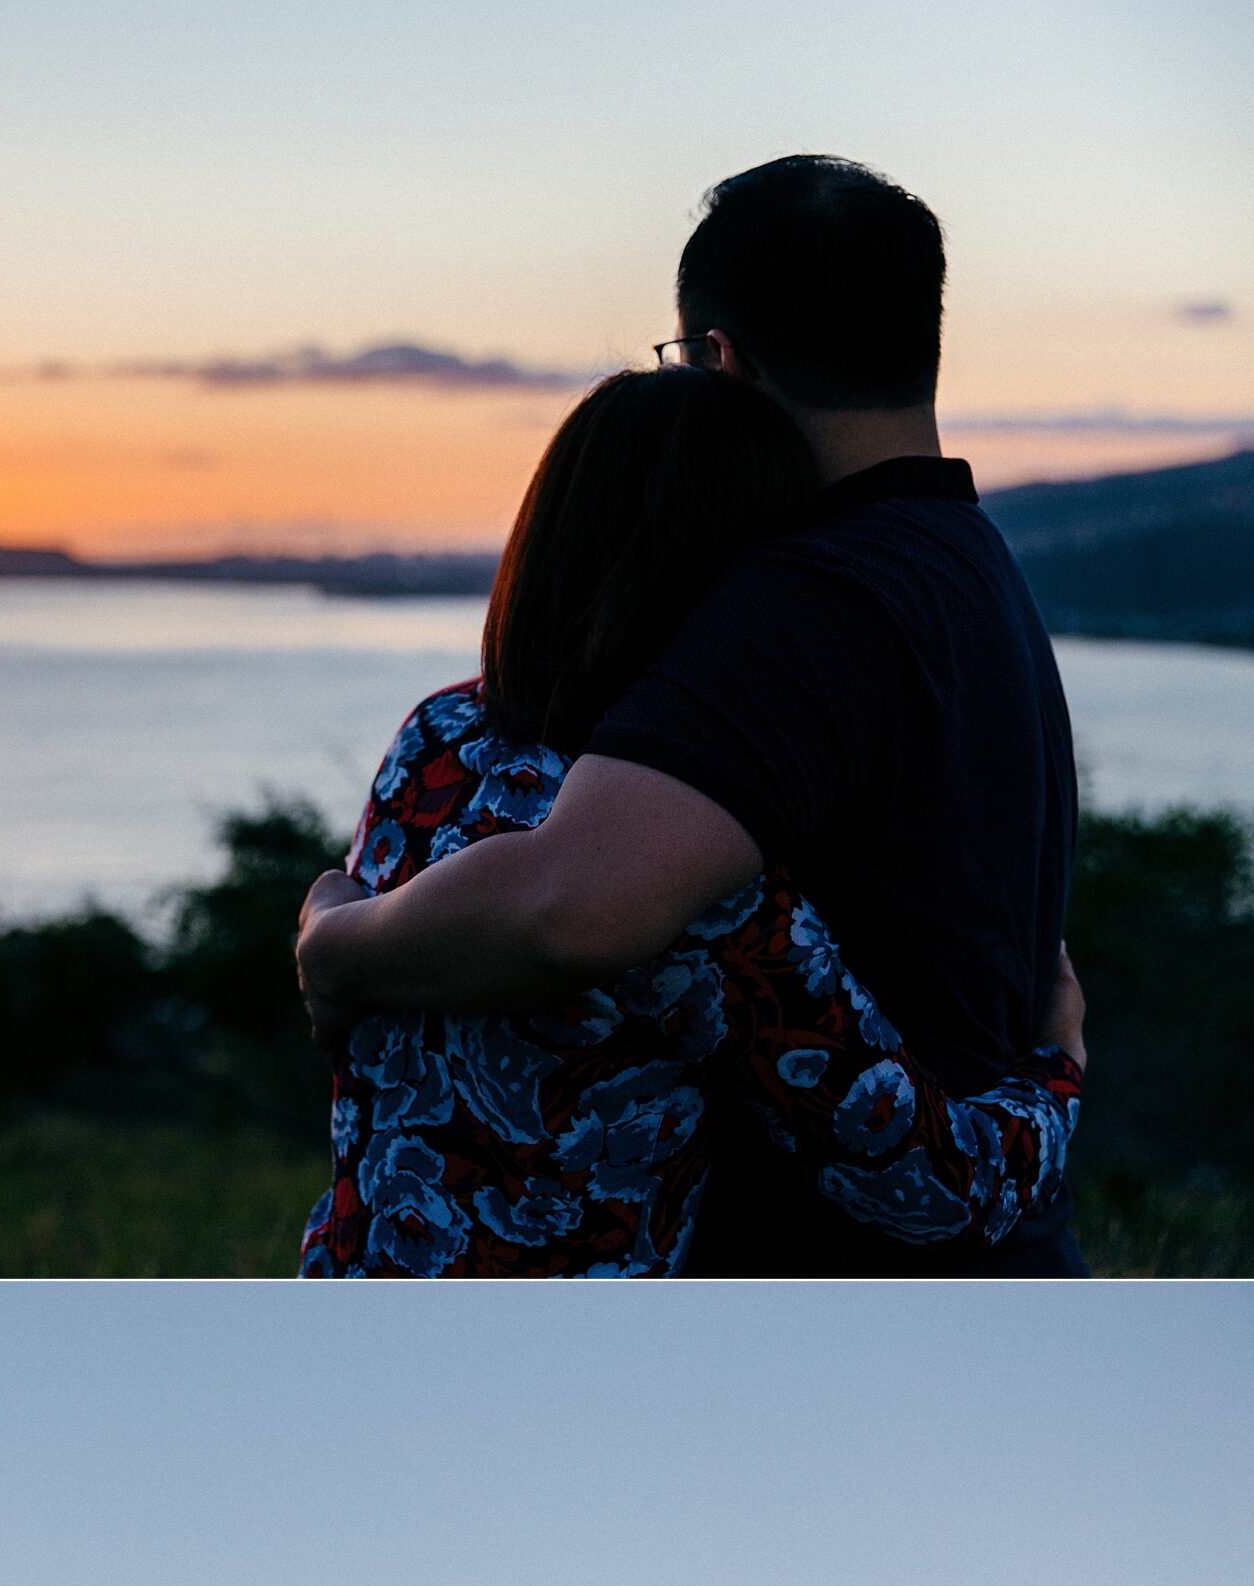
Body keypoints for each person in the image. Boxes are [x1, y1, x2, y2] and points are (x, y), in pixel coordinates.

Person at [298, 156, 1085, 1276]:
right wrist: (1058, 1066)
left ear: (720, 360)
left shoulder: (799, 602)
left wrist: (334, 943)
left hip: (839, 1315)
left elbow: (573, 906)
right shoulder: (971, 568)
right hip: (922, 1272)